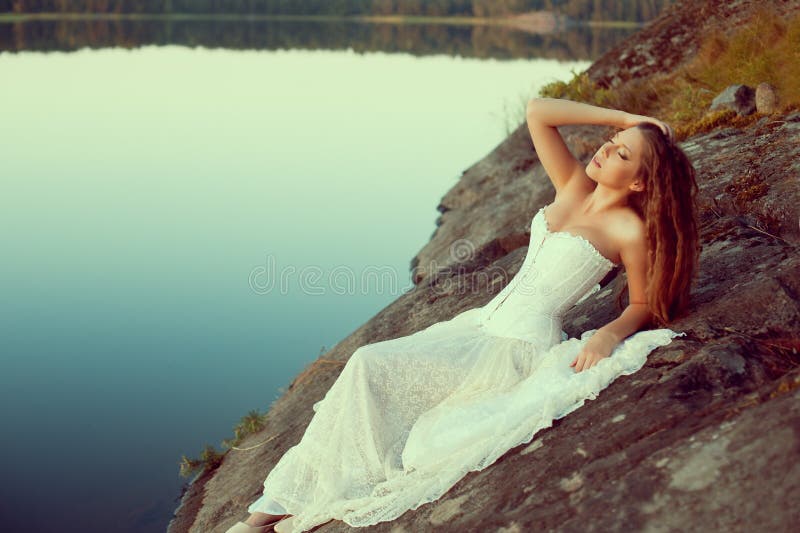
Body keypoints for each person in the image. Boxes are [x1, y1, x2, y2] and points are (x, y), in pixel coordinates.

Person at [225, 97, 700, 533]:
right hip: (477, 326)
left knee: (394, 400)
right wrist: (625, 119)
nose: (605, 150)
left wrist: (608, 336)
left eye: (621, 154)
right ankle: (275, 503)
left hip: (516, 349)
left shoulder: (628, 229)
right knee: (366, 370)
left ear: (640, 181)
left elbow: (643, 303)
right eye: (611, 143)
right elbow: (538, 111)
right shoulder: (574, 187)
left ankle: (265, 516)